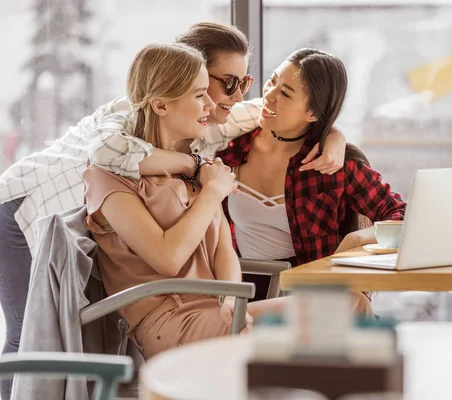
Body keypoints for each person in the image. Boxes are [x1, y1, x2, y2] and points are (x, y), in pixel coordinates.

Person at [0, 22, 344, 398]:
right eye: (221, 85)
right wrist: (206, 184)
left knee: (347, 310)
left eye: (242, 82)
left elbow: (273, 114)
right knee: (27, 339)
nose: (227, 99)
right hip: (22, 204)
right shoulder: (119, 139)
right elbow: (107, 164)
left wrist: (332, 136)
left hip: (204, 308)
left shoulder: (198, 148)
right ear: (180, 85)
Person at [83, 42, 368, 360]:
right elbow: (168, 257)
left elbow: (223, 250)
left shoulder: (194, 163)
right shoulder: (107, 177)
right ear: (162, 106)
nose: (211, 105)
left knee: (352, 303)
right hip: (169, 324)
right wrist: (212, 193)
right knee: (339, 317)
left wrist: (232, 299)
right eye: (198, 95)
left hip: (218, 312)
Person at [215, 49, 406, 298]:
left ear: (313, 113)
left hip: (309, 294)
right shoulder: (230, 149)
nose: (269, 95)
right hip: (237, 291)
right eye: (272, 81)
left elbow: (403, 217)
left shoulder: (332, 165)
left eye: (285, 93)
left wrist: (357, 239)